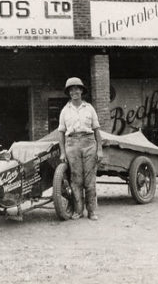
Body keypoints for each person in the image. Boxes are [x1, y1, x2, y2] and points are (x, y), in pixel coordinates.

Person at [58, 77, 103, 221]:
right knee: (76, 179)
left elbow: (96, 130)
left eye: (77, 88)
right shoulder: (65, 111)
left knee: (89, 180)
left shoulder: (89, 108)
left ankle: (91, 211)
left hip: (89, 143)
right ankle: (78, 211)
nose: (75, 92)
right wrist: (63, 152)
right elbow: (61, 133)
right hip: (72, 144)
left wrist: (99, 149)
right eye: (71, 89)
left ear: (82, 91)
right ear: (69, 93)